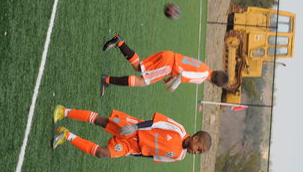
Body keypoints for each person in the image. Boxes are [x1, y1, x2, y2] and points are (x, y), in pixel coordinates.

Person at [52, 104, 211, 162]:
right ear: (195, 138)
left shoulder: (179, 156)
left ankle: (66, 135)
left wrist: (132, 154)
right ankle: (64, 111)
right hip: (133, 129)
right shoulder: (178, 129)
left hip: (131, 147)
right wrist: (135, 127)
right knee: (101, 121)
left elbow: (152, 156)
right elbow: (155, 122)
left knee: (101, 153)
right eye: (199, 149)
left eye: (199, 153)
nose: (196, 153)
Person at [100, 34, 228, 94]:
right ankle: (107, 80)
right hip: (168, 65)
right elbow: (183, 75)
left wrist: (171, 77)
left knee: (139, 67)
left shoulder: (204, 67)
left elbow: (184, 67)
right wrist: (174, 86)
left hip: (169, 56)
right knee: (142, 81)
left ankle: (120, 42)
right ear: (214, 84)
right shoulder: (202, 77)